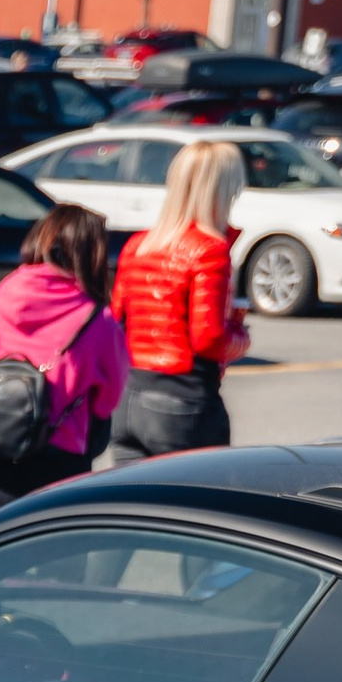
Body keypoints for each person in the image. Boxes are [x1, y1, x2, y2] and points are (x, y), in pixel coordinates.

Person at [0, 202, 129, 526]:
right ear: (90, 254)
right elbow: (108, 400)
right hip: (60, 466)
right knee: (54, 571)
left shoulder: (0, 294)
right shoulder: (98, 319)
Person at [103, 140, 248, 463]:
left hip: (129, 397)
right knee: (192, 506)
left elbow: (117, 320)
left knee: (131, 507)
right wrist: (240, 337)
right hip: (183, 401)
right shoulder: (210, 250)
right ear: (224, 189)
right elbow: (208, 338)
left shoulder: (139, 245)